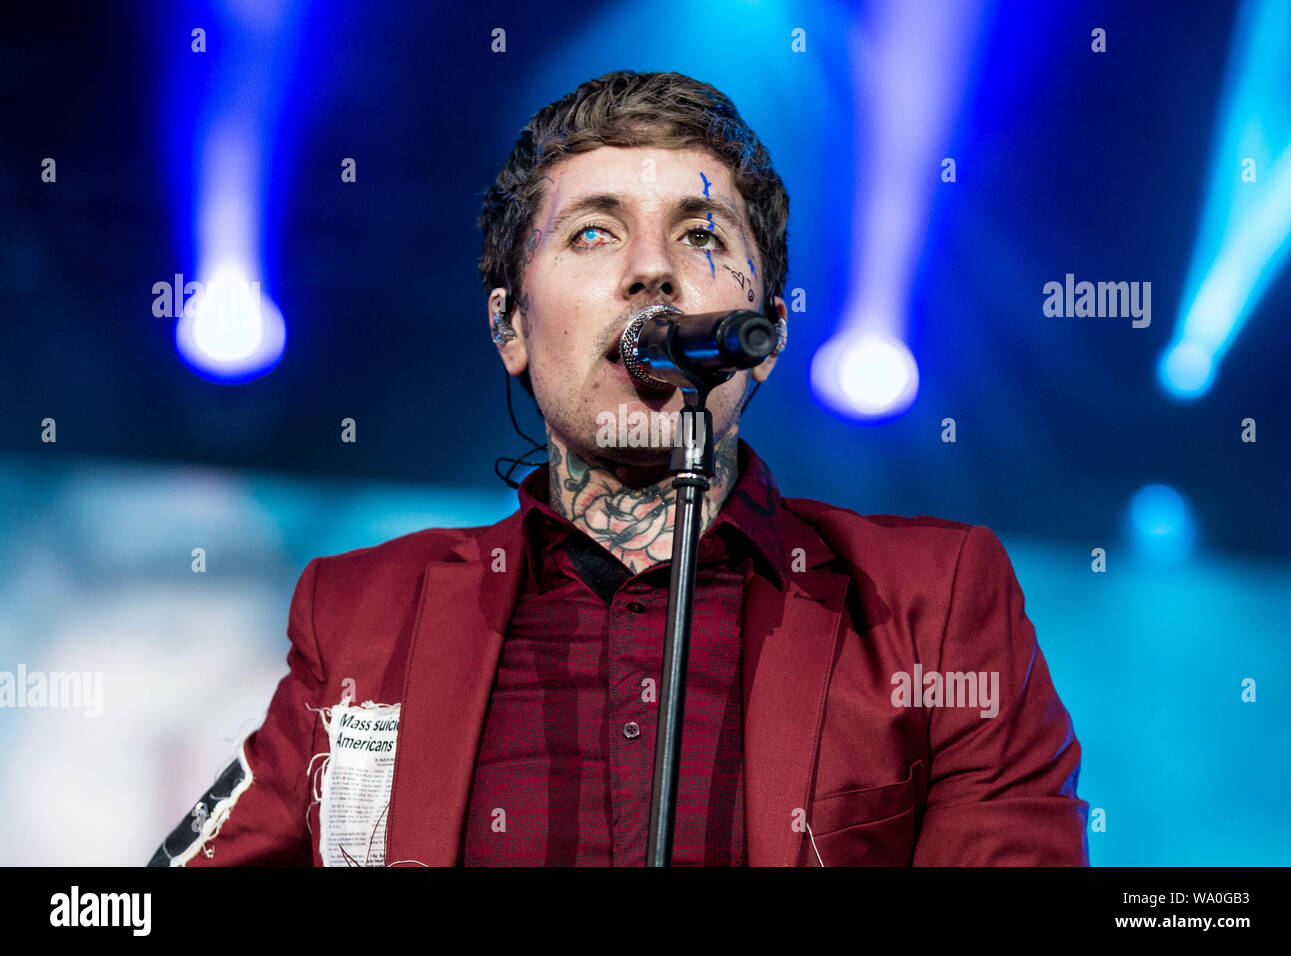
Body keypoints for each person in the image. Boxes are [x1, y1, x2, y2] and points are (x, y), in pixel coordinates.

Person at [149, 70, 1088, 867]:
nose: (653, 272)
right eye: (594, 233)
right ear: (508, 325)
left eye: (703, 237)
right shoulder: (363, 617)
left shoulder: (933, 604)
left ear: (767, 335)